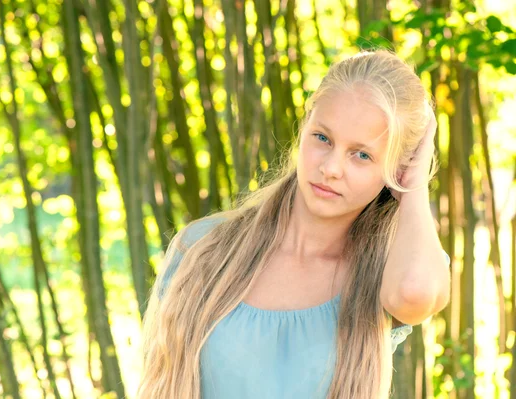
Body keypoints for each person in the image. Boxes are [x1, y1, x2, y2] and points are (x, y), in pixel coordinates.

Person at [137, 49, 451, 399]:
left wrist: (416, 181)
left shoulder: (389, 271)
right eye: (322, 138)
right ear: (304, 128)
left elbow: (414, 294)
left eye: (362, 155)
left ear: (396, 170)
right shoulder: (202, 249)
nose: (331, 168)